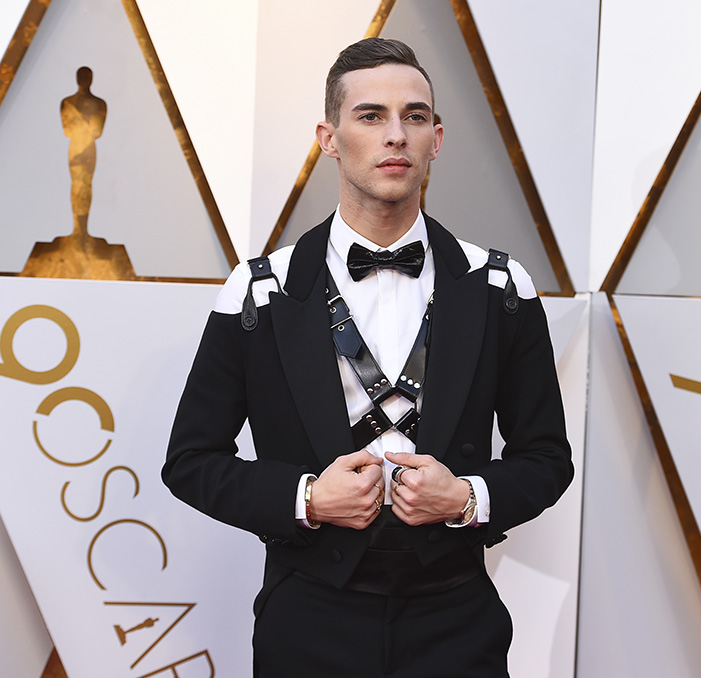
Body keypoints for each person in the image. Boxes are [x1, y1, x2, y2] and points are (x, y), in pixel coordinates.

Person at [163, 37, 572, 677]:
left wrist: (468, 497)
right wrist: (306, 499)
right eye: (370, 115)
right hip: (308, 618)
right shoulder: (258, 292)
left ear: (437, 139)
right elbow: (189, 461)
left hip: (457, 619)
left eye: (414, 117)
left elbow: (547, 459)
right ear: (328, 138)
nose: (396, 136)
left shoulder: (501, 287)